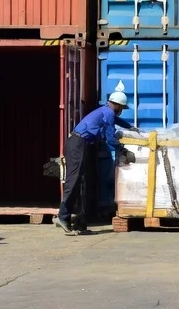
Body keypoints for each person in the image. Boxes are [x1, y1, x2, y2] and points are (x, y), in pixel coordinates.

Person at [57, 91, 134, 236]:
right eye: (122, 108)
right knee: (73, 181)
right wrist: (123, 150)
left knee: (83, 184)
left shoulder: (105, 111)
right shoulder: (108, 113)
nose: (122, 111)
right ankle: (63, 216)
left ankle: (80, 224)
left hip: (82, 144)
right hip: (77, 144)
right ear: (118, 105)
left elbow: (117, 121)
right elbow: (110, 138)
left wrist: (130, 128)